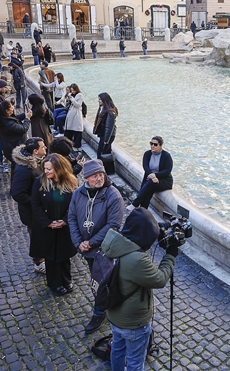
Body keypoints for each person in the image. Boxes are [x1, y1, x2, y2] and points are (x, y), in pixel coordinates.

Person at [102, 208, 177, 371]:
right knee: (135, 362)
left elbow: (138, 230)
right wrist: (170, 255)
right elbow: (160, 279)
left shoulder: (113, 240)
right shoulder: (136, 259)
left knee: (117, 349)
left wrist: (157, 228)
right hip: (133, 322)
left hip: (114, 315)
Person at [67, 159, 124, 334]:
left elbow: (113, 225)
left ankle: (101, 311)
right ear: (86, 178)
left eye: (101, 175)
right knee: (96, 278)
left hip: (105, 249)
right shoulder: (78, 194)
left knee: (102, 280)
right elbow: (71, 218)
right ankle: (106, 306)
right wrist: (78, 242)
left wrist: (91, 242)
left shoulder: (113, 196)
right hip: (86, 250)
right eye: (94, 176)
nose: (98, 178)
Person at [30, 153, 78, 294]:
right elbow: (36, 205)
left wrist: (64, 221)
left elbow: (76, 205)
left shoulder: (72, 182)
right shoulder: (39, 182)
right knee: (50, 257)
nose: (46, 171)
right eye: (45, 168)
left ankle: (66, 280)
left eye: (49, 169)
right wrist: (48, 222)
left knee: (64, 255)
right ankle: (54, 283)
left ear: (59, 168)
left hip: (64, 227)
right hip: (47, 227)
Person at [11, 138, 47, 268]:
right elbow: (17, 193)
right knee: (37, 236)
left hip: (38, 208)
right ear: (35, 151)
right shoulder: (24, 169)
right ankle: (39, 262)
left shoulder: (36, 161)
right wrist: (36, 202)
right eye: (43, 147)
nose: (45, 148)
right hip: (31, 211)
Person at [126, 136, 173, 212]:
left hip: (164, 180)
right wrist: (152, 176)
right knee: (149, 189)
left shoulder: (166, 156)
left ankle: (135, 204)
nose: (152, 146)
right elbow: (145, 167)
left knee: (150, 184)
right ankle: (143, 211)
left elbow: (167, 170)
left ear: (160, 145)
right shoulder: (147, 154)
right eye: (151, 143)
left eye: (155, 144)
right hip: (150, 179)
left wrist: (156, 175)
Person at [0, 100, 31, 178]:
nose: (13, 107)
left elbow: (15, 119)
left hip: (11, 146)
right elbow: (23, 129)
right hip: (14, 147)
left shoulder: (4, 118)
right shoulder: (7, 123)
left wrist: (24, 115)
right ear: (7, 111)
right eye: (11, 107)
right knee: (17, 167)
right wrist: (27, 119)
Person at [92, 93, 118, 160]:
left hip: (107, 136)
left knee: (101, 153)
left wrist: (106, 140)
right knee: (106, 152)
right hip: (104, 134)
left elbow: (109, 127)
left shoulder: (110, 112)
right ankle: (108, 166)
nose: (99, 101)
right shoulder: (102, 108)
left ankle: (101, 165)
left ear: (105, 100)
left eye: (100, 99)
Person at [62, 83, 84, 148]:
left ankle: (76, 144)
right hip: (70, 113)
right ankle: (68, 143)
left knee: (77, 130)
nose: (72, 92)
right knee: (69, 129)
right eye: (71, 90)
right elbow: (67, 104)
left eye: (73, 90)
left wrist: (72, 98)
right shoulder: (71, 95)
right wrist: (68, 99)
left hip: (76, 114)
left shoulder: (80, 95)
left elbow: (78, 105)